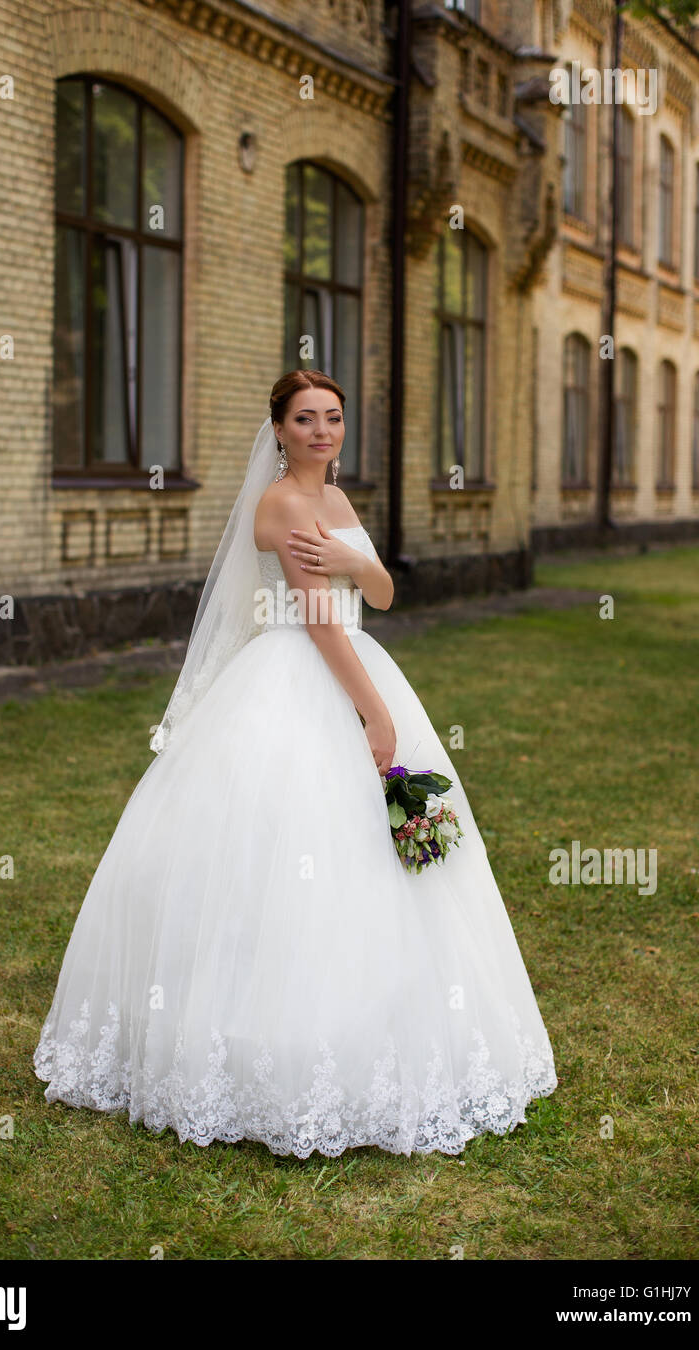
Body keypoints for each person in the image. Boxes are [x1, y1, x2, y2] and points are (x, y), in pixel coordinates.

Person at [34, 369, 557, 1159]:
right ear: (277, 428)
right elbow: (316, 619)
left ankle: (379, 1020)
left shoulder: (341, 504)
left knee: (375, 855)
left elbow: (380, 593)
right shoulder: (279, 502)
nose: (322, 431)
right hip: (298, 674)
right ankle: (250, 1040)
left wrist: (349, 560)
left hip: (358, 653)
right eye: (306, 418)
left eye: (333, 418)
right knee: (279, 850)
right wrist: (372, 711)